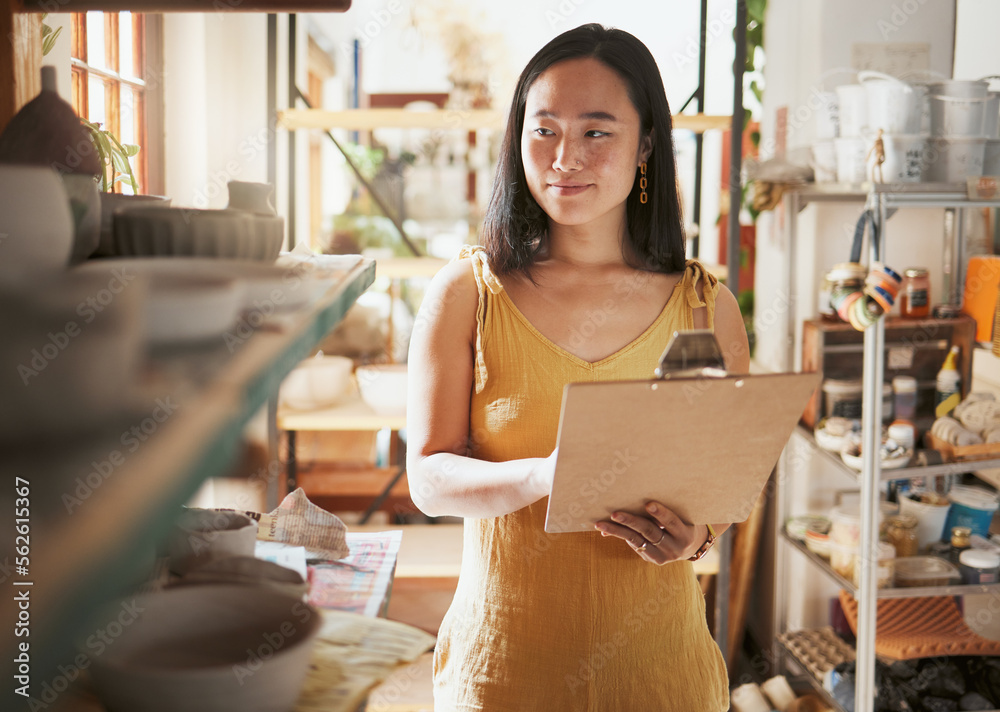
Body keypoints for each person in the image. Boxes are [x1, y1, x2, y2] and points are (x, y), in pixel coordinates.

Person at [406, 22, 750, 711]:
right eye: (545, 129)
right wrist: (544, 477)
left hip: (663, 678)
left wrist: (696, 537)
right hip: (502, 673)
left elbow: (725, 482)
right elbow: (429, 479)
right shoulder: (467, 293)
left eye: (596, 132)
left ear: (646, 142)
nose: (565, 156)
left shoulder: (707, 306)